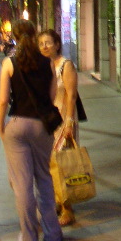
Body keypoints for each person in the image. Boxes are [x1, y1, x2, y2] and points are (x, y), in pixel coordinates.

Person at [0, 19, 63, 241]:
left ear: (15, 37)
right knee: (44, 178)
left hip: (17, 125)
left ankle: (29, 239)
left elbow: (3, 100)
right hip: (42, 126)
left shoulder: (9, 63)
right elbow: (52, 96)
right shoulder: (48, 63)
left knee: (22, 185)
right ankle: (53, 233)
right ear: (35, 35)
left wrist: (1, 127)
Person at [38, 29, 79, 226]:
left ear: (57, 44)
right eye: (41, 44)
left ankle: (67, 208)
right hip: (48, 121)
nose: (45, 46)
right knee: (50, 164)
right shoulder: (42, 66)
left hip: (63, 119)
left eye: (48, 42)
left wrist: (69, 121)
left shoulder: (66, 65)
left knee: (62, 164)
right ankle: (57, 200)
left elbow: (71, 95)